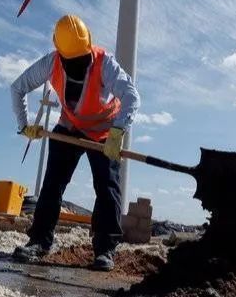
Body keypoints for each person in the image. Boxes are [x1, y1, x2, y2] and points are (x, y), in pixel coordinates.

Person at [10, 14, 140, 271]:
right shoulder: (51, 62)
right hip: (70, 126)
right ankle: (39, 242)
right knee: (52, 183)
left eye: (82, 60)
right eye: (72, 62)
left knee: (107, 188)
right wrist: (24, 125)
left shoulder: (105, 63)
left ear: (88, 47)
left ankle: (105, 249)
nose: (78, 66)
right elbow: (18, 87)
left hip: (104, 130)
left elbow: (131, 96)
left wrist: (117, 131)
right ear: (60, 53)